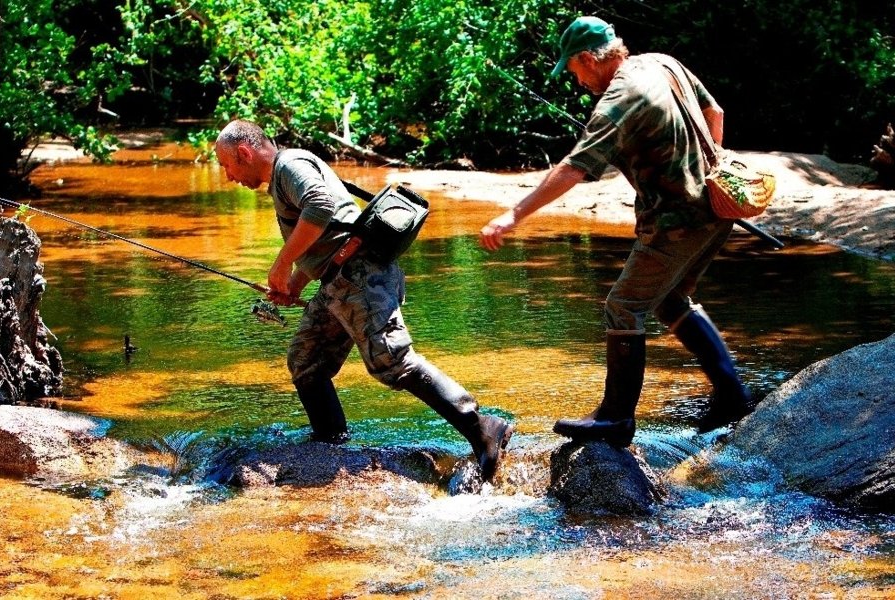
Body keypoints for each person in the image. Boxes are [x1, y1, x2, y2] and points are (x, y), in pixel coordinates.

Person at [479, 16, 756, 447]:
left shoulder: (619, 98)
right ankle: (733, 398)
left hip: (676, 220)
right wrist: (711, 173)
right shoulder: (662, 63)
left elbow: (573, 168)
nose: (577, 81)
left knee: (623, 306)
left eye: (574, 71)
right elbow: (714, 113)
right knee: (669, 300)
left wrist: (512, 216)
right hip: (719, 209)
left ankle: (615, 418)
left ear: (589, 59)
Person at [216, 119, 514, 481]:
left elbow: (321, 207)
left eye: (226, 165)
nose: (228, 176)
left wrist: (281, 263)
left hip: (360, 276)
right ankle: (329, 445)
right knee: (306, 361)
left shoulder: (288, 166)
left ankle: (482, 426)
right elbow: (329, 234)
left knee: (393, 361)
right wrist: (293, 284)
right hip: (337, 282)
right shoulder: (285, 174)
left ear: (244, 153)